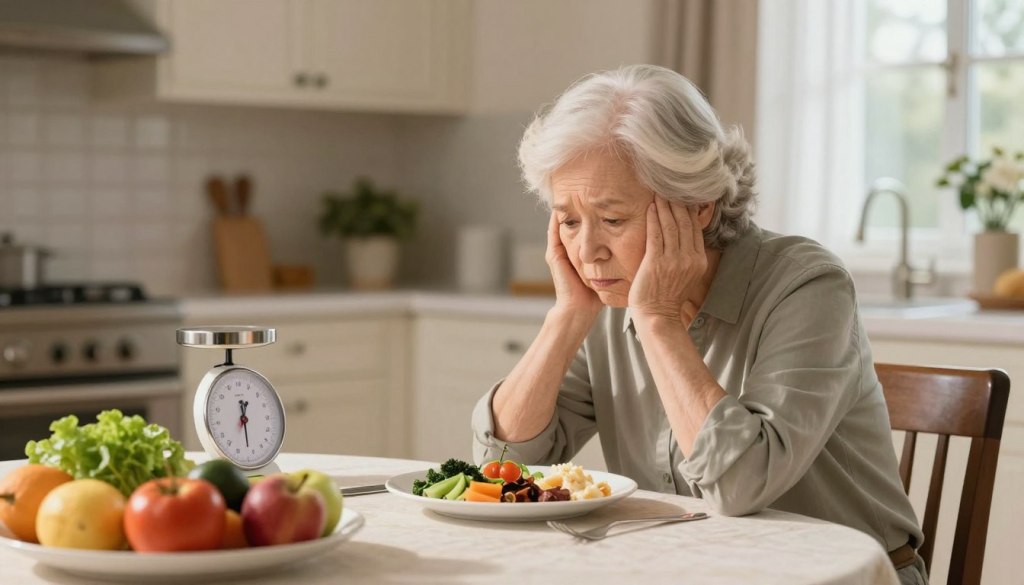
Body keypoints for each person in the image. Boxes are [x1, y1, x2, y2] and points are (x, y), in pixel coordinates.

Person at [471, 64, 928, 585]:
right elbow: (500, 467)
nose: (586, 251)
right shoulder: (605, 298)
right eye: (569, 221)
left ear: (699, 206)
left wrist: (659, 322)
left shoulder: (807, 285)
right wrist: (566, 317)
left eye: (613, 219)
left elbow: (742, 486)